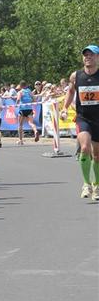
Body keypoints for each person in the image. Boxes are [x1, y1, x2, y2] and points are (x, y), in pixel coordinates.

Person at [63, 45, 99, 200]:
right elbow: (71, 92)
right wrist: (65, 108)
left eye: (91, 55)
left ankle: (96, 186)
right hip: (83, 117)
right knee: (84, 147)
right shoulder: (75, 76)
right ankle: (86, 184)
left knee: (97, 155)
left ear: (97, 57)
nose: (87, 57)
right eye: (85, 55)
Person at [15, 81, 40, 145]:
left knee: (20, 125)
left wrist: (16, 105)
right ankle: (35, 131)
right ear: (26, 85)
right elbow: (34, 98)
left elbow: (18, 99)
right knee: (31, 123)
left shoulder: (20, 92)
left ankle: (20, 140)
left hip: (22, 109)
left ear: (20, 86)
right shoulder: (29, 91)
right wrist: (33, 102)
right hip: (29, 109)